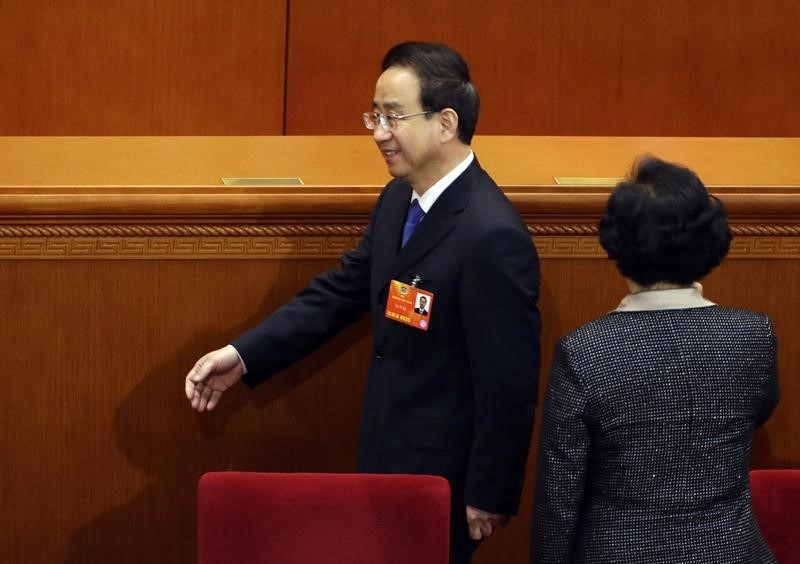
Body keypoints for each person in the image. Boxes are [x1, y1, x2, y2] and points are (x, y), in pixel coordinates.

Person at [186, 41, 541, 564]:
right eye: (374, 115)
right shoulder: (398, 198)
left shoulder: (491, 234)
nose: (377, 132)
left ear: (446, 122)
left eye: (393, 116)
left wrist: (489, 491)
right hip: (382, 460)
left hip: (443, 485)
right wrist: (242, 356)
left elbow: (508, 383)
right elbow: (342, 291)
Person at [530, 156, 779, 563]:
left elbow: (559, 497)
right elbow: (761, 409)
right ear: (710, 240)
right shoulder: (753, 336)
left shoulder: (584, 351)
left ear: (616, 245)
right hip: (729, 550)